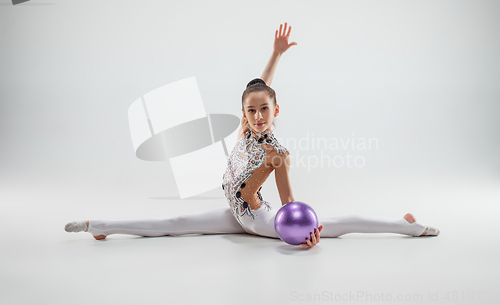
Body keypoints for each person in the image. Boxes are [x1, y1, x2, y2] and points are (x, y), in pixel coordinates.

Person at [65, 22, 439, 248]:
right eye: (251, 110)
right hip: (235, 211)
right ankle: (99, 226)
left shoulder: (276, 151)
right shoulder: (247, 126)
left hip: (258, 217)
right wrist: (276, 55)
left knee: (333, 227)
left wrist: (299, 229)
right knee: (175, 226)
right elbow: (261, 89)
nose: (258, 116)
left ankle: (407, 227)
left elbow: (288, 196)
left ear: (276, 112)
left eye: (265, 110)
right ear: (244, 113)